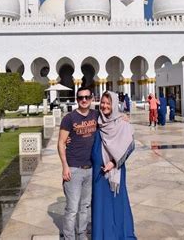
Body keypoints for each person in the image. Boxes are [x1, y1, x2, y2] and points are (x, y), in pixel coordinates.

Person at [92, 91, 136, 239]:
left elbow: (129, 146)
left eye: (108, 103)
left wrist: (113, 162)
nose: (104, 106)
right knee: (100, 204)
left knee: (117, 202)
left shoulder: (122, 122)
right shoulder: (98, 120)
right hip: (98, 172)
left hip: (115, 170)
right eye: (103, 102)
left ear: (114, 104)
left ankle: (119, 234)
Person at [58, 86, 98, 240]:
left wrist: (123, 117)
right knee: (72, 208)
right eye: (81, 97)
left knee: (85, 206)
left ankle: (81, 235)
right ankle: (69, 237)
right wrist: (65, 166)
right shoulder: (69, 118)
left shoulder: (96, 115)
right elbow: (61, 143)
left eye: (87, 97)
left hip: (91, 169)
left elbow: (111, 116)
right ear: (77, 99)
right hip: (74, 168)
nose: (84, 100)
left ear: (92, 98)